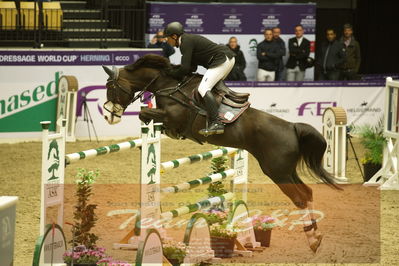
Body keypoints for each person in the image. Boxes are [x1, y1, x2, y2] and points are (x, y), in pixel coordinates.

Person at [164, 22, 235, 136]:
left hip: (222, 60)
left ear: (174, 36)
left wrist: (170, 73)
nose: (167, 41)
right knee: (212, 89)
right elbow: (192, 67)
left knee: (203, 88)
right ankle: (225, 114)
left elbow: (185, 68)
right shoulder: (187, 40)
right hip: (227, 59)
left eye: (167, 38)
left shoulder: (185, 42)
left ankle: (216, 122)